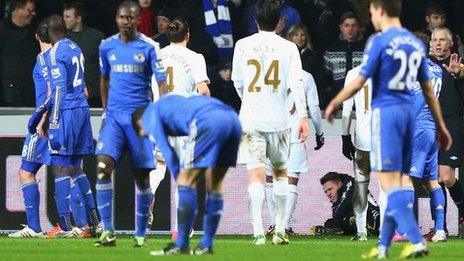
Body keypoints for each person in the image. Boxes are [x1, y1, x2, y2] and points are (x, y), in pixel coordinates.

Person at [325, 0, 452, 259]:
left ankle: (415, 240)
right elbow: (428, 91)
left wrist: (336, 101)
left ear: (381, 11)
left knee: (388, 183)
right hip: (409, 119)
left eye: (372, 11)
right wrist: (440, 124)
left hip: (388, 117)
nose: (371, 16)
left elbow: (360, 80)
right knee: (395, 182)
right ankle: (383, 247)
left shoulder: (380, 42)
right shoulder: (415, 44)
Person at [231, 0, 309, 245]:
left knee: (255, 174)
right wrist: (303, 115)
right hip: (279, 120)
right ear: (279, 22)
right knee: (280, 175)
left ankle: (257, 232)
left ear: (256, 20)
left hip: (251, 119)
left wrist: (250, 100)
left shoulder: (243, 45)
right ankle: (280, 231)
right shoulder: (288, 48)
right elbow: (296, 83)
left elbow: (238, 82)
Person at [94, 1, 167, 247]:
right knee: (103, 167)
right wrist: (106, 111)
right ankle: (108, 231)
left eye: (131, 18)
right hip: (114, 118)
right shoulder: (107, 46)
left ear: (138, 20)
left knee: (143, 178)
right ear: (117, 19)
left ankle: (140, 234)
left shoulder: (149, 47)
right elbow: (104, 78)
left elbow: (161, 83)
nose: (126, 21)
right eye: (122, 17)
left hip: (139, 119)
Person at [133, 94, 241, 255]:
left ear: (139, 122)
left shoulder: (149, 115)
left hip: (207, 120)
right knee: (215, 184)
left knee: (185, 181)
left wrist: (182, 181)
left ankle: (181, 243)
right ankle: (206, 244)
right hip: (233, 119)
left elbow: (167, 153)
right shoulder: (170, 104)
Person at [27, 14, 97, 238]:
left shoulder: (55, 52)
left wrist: (50, 119)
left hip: (66, 112)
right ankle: (95, 222)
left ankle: (67, 226)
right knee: (76, 166)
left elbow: (58, 89)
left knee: (59, 165)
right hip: (82, 110)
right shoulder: (75, 47)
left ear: (47, 31)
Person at [264, 69, 324, 236]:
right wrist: (320, 132)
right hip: (295, 135)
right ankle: (284, 225)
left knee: (270, 179)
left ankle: (273, 224)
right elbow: (314, 107)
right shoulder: (306, 77)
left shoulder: (269, 74)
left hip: (273, 133)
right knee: (291, 181)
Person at [7, 19, 52, 238]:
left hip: (45, 121)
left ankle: (34, 227)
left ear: (37, 37)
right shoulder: (66, 56)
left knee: (26, 171)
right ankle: (81, 225)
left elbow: (52, 92)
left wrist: (42, 116)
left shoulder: (43, 59)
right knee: (69, 171)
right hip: (67, 119)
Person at [404, 31, 447, 243]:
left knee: (406, 177)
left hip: (418, 128)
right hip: (432, 129)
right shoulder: (437, 69)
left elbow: (416, 102)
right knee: (432, 181)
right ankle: (440, 229)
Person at [430, 27, 464, 234]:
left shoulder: (457, 66)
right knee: (433, 177)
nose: (438, 43)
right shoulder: (424, 66)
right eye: (435, 40)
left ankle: (462, 208)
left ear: (450, 44)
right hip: (429, 124)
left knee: (446, 176)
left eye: (443, 40)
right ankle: (439, 227)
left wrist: (458, 73)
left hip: (451, 123)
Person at [341, 65, 372, 242]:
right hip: (387, 138)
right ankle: (386, 231)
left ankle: (361, 232)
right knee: (387, 187)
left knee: (361, 184)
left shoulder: (354, 73)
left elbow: (347, 108)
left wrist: (345, 136)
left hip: (363, 138)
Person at [309, 172, 380, 236]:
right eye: (326, 192)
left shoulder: (351, 186)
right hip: (357, 217)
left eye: (330, 189)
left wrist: (334, 224)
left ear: (340, 184)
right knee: (332, 222)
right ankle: (338, 231)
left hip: (374, 219)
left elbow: (345, 204)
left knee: (351, 216)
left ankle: (370, 229)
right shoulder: (340, 195)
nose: (328, 194)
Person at [63, 1, 104, 107]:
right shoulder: (62, 39)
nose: (64, 20)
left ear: (78, 19)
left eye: (68, 17)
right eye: (64, 16)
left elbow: (105, 65)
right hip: (70, 97)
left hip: (94, 96)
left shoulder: (96, 37)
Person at [0, 0, 39, 107]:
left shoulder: (34, 34)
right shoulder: (2, 31)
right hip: (6, 96)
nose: (33, 14)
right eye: (29, 10)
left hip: (31, 95)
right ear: (17, 9)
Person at [323, 11, 365, 104]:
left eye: (354, 25)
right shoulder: (332, 50)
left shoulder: (366, 49)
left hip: (361, 100)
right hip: (337, 100)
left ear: (358, 28)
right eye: (347, 25)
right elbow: (325, 77)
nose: (350, 29)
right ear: (341, 27)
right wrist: (331, 95)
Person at [287, 24, 327, 104]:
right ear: (291, 37)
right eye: (296, 35)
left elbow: (319, 82)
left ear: (306, 38)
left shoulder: (314, 58)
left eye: (302, 35)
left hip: (308, 99)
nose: (299, 38)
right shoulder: (284, 55)